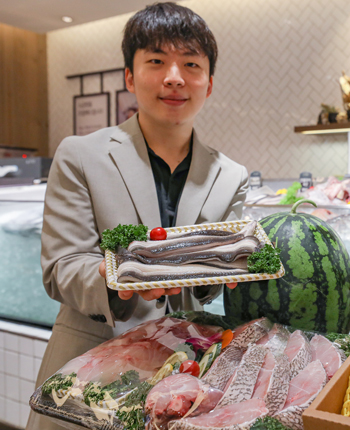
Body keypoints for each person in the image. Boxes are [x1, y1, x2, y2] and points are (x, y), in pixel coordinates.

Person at [27, 3, 247, 429]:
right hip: (87, 369)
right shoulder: (80, 155)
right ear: (130, 76)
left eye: (191, 64)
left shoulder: (231, 176)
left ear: (209, 83)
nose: (174, 77)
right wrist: (120, 276)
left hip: (180, 373)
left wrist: (227, 268)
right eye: (156, 61)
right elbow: (61, 268)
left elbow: (211, 283)